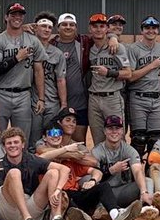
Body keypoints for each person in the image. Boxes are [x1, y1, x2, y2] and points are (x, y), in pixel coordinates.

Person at [37, 116, 136, 220]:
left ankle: (115, 215)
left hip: (75, 195)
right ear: (44, 138)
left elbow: (95, 169)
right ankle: (78, 217)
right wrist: (65, 150)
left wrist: (93, 180)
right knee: (65, 196)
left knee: (103, 186)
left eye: (58, 132)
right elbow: (42, 158)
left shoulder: (69, 159)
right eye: (52, 133)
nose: (56, 135)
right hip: (56, 198)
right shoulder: (40, 157)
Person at [0, 2, 45, 136]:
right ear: (6, 17)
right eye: (13, 14)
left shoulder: (33, 40)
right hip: (1, 93)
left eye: (20, 14)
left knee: (22, 136)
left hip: (23, 94)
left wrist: (41, 98)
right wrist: (16, 58)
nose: (17, 17)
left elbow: (38, 70)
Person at [92, 115, 159, 218]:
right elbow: (94, 176)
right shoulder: (97, 151)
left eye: (117, 128)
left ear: (122, 131)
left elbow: (137, 171)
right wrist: (112, 170)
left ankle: (146, 206)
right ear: (104, 131)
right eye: (110, 128)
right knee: (87, 180)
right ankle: (101, 209)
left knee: (147, 181)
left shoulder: (129, 150)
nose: (114, 131)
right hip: (103, 193)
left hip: (122, 191)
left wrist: (144, 192)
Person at [86, 12, 133, 146]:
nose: (98, 29)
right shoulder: (90, 47)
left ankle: (123, 166)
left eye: (102, 26)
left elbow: (128, 73)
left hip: (112, 97)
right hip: (94, 98)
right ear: (90, 29)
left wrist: (109, 73)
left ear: (107, 29)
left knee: (117, 138)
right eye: (95, 26)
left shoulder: (117, 47)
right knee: (98, 139)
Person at [126, 16, 160, 160]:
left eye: (154, 28)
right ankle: (134, 176)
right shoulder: (134, 48)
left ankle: (151, 175)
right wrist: (151, 66)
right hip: (138, 97)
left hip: (156, 97)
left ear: (157, 30)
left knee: (155, 140)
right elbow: (130, 76)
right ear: (142, 30)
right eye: (147, 28)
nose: (151, 30)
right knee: (139, 139)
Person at [29, 14, 68, 148]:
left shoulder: (57, 53)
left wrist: (63, 104)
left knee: (53, 136)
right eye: (43, 26)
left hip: (52, 102)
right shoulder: (28, 49)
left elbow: (61, 80)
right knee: (33, 138)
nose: (46, 30)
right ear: (35, 28)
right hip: (33, 101)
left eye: (49, 27)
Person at [55, 13, 90, 143]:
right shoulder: (52, 44)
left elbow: (103, 35)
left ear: (76, 28)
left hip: (80, 102)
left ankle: (79, 164)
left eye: (71, 25)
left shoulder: (85, 42)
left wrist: (113, 37)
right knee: (55, 138)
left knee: (79, 141)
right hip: (56, 103)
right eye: (64, 24)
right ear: (58, 28)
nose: (68, 27)